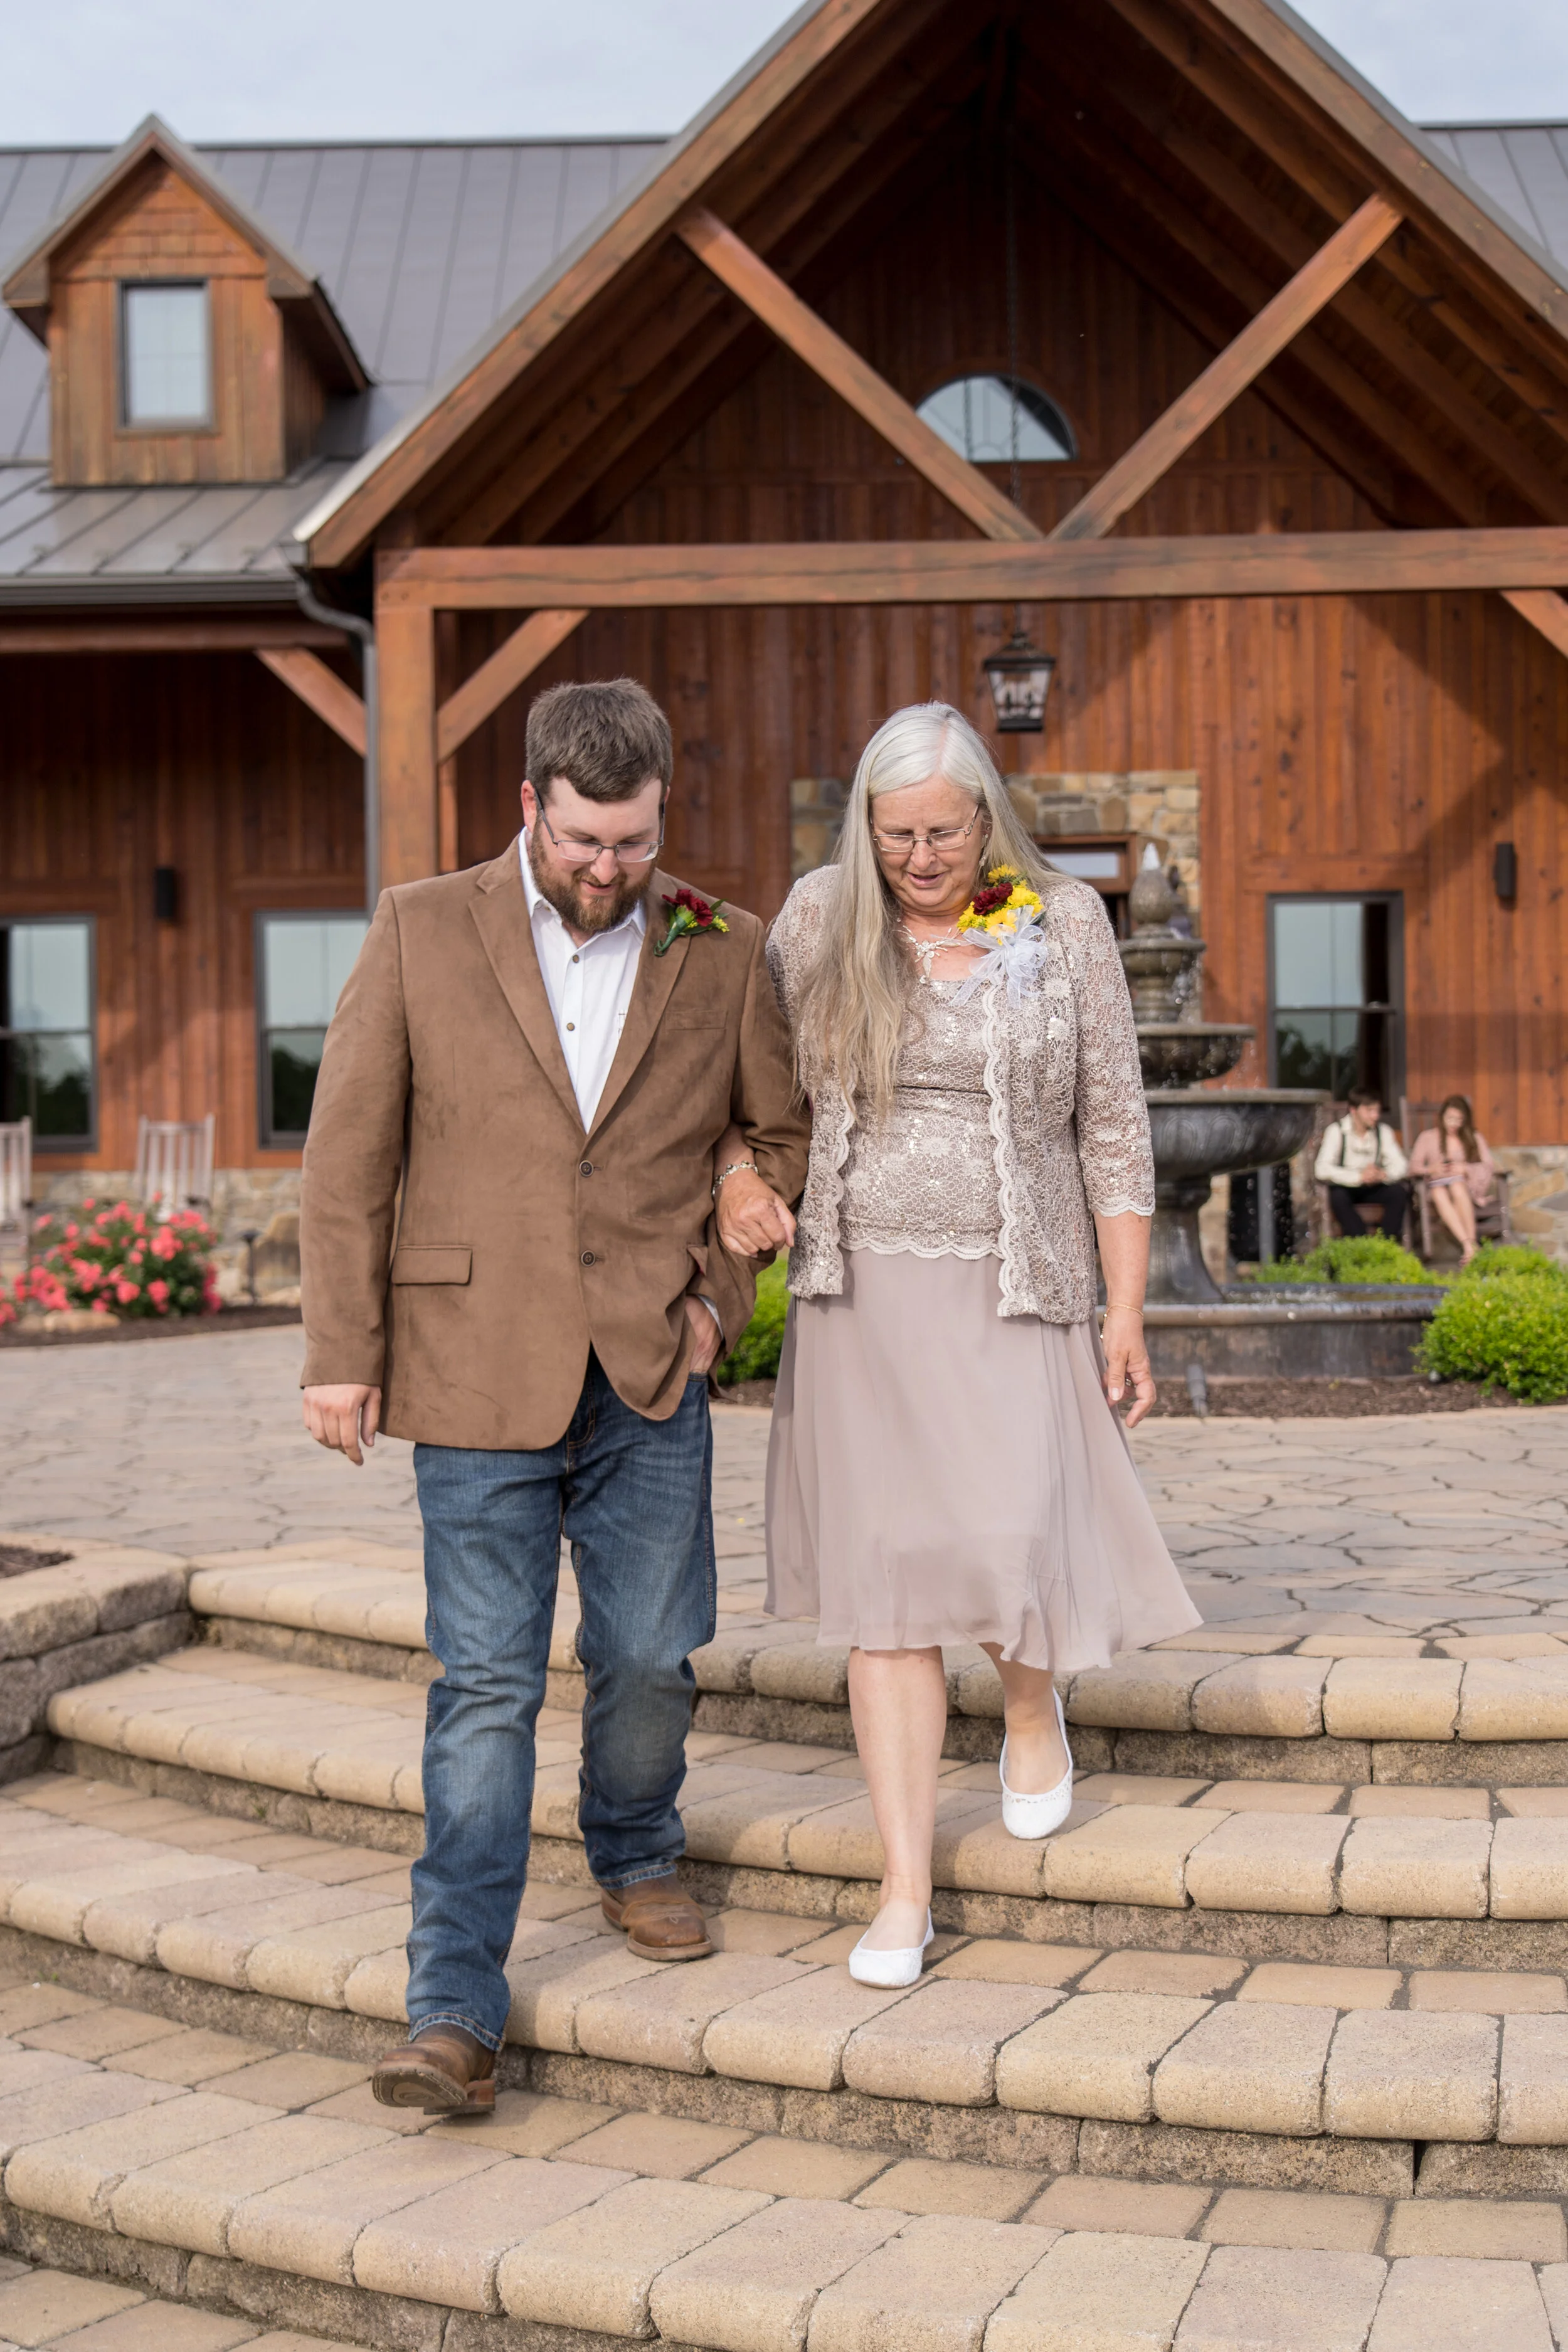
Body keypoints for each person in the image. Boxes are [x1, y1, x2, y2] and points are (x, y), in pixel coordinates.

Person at [297, 677, 805, 2113]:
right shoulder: (420, 924)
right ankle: (452, 2003)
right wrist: (341, 1348)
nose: (607, 869)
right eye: (584, 841)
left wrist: (720, 1293)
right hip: (467, 1371)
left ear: (661, 818)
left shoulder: (723, 944)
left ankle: (638, 1842)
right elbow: (348, 1157)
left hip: (650, 1363)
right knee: (486, 1688)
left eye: (633, 844)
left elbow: (773, 1129)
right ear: (528, 806)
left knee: (650, 1649)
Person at [731, 701, 1200, 1990]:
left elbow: (1110, 1122)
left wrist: (1122, 1307)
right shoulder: (818, 919)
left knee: (1004, 1540)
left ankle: (1032, 1703)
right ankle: (899, 1887)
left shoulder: (1064, 926)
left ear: (984, 814)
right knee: (885, 1592)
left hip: (1015, 1281)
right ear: (863, 829)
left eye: (943, 831)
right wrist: (733, 1172)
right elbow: (748, 1086)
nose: (921, 858)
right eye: (896, 837)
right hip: (859, 1294)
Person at [1409, 1093, 1497, 1265]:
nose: (1454, 1124)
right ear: (1442, 1117)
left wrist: (1465, 1168)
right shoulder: (1428, 1137)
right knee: (1438, 1191)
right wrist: (1432, 1169)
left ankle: (1469, 1245)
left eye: (1459, 1120)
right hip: (1436, 1189)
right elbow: (1413, 1167)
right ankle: (1470, 1246)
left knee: (1457, 1186)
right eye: (1450, 1118)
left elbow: (1488, 1166)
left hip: (1464, 1188)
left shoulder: (1473, 1137)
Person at [1314, 1089, 1410, 1241]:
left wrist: (1383, 1174)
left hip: (1375, 1186)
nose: (1375, 1116)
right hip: (1347, 1185)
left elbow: (1402, 1165)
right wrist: (1358, 1177)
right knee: (1338, 1197)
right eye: (1370, 1111)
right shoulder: (1336, 1131)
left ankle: (1386, 1245)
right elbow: (1321, 1169)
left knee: (1398, 1192)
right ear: (1354, 1110)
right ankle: (1360, 1241)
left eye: (1377, 1111)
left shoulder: (1383, 1131)